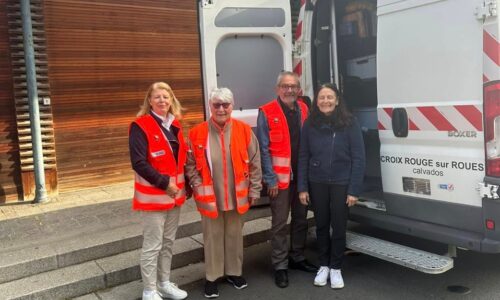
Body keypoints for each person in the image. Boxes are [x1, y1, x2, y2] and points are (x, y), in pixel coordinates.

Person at [185, 88, 262, 298]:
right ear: (210, 106)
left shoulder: (244, 130)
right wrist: (197, 185)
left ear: (232, 106)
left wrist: (255, 189)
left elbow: (255, 161)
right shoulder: (197, 132)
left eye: (225, 104)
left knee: (234, 236)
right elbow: (190, 164)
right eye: (216, 104)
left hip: (238, 197)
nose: (221, 108)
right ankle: (212, 276)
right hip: (210, 197)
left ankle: (234, 273)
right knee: (212, 237)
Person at [297, 83, 365, 289]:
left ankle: (336, 268)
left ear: (337, 100)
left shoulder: (350, 123)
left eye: (329, 97)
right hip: (317, 182)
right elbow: (303, 156)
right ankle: (323, 265)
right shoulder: (309, 124)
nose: (325, 101)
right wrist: (302, 187)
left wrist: (354, 189)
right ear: (316, 102)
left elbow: (359, 157)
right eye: (321, 98)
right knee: (322, 225)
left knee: (338, 226)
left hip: (341, 183)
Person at [256, 71, 317, 289]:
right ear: (277, 89)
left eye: (293, 86)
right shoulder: (266, 111)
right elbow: (263, 149)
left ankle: (297, 256)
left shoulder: (303, 108)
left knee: (301, 219)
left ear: (298, 90)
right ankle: (280, 265)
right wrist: (269, 179)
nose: (289, 90)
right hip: (279, 181)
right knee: (280, 224)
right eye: (285, 86)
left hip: (301, 178)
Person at [129, 82, 189, 300]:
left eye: (166, 96)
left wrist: (188, 186)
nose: (162, 100)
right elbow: (138, 162)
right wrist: (165, 183)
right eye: (157, 97)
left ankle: (164, 283)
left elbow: (181, 161)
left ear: (172, 100)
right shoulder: (140, 125)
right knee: (152, 245)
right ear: (149, 101)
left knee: (168, 243)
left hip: (175, 197)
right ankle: (149, 290)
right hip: (154, 197)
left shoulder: (176, 125)